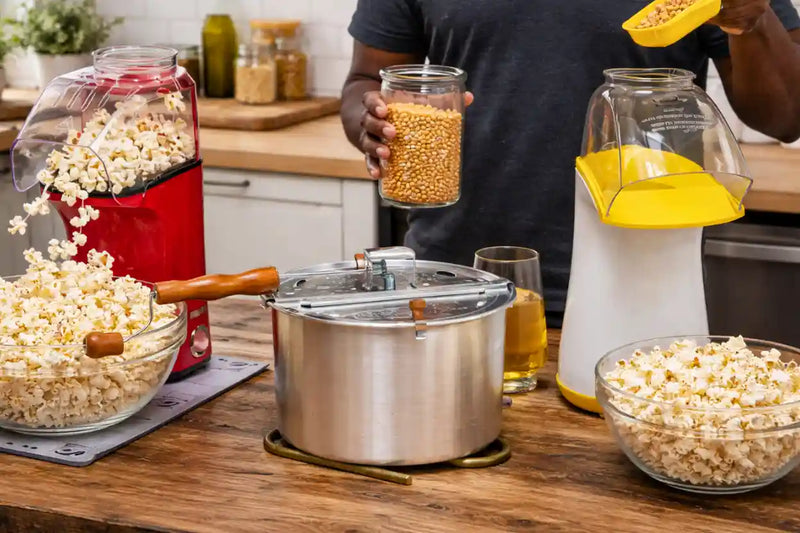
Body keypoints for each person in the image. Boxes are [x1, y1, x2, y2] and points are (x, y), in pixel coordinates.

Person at [340, 0, 800, 327]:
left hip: (640, 283)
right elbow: (365, 80)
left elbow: (786, 115)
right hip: (453, 287)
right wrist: (372, 119)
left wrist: (755, 21)